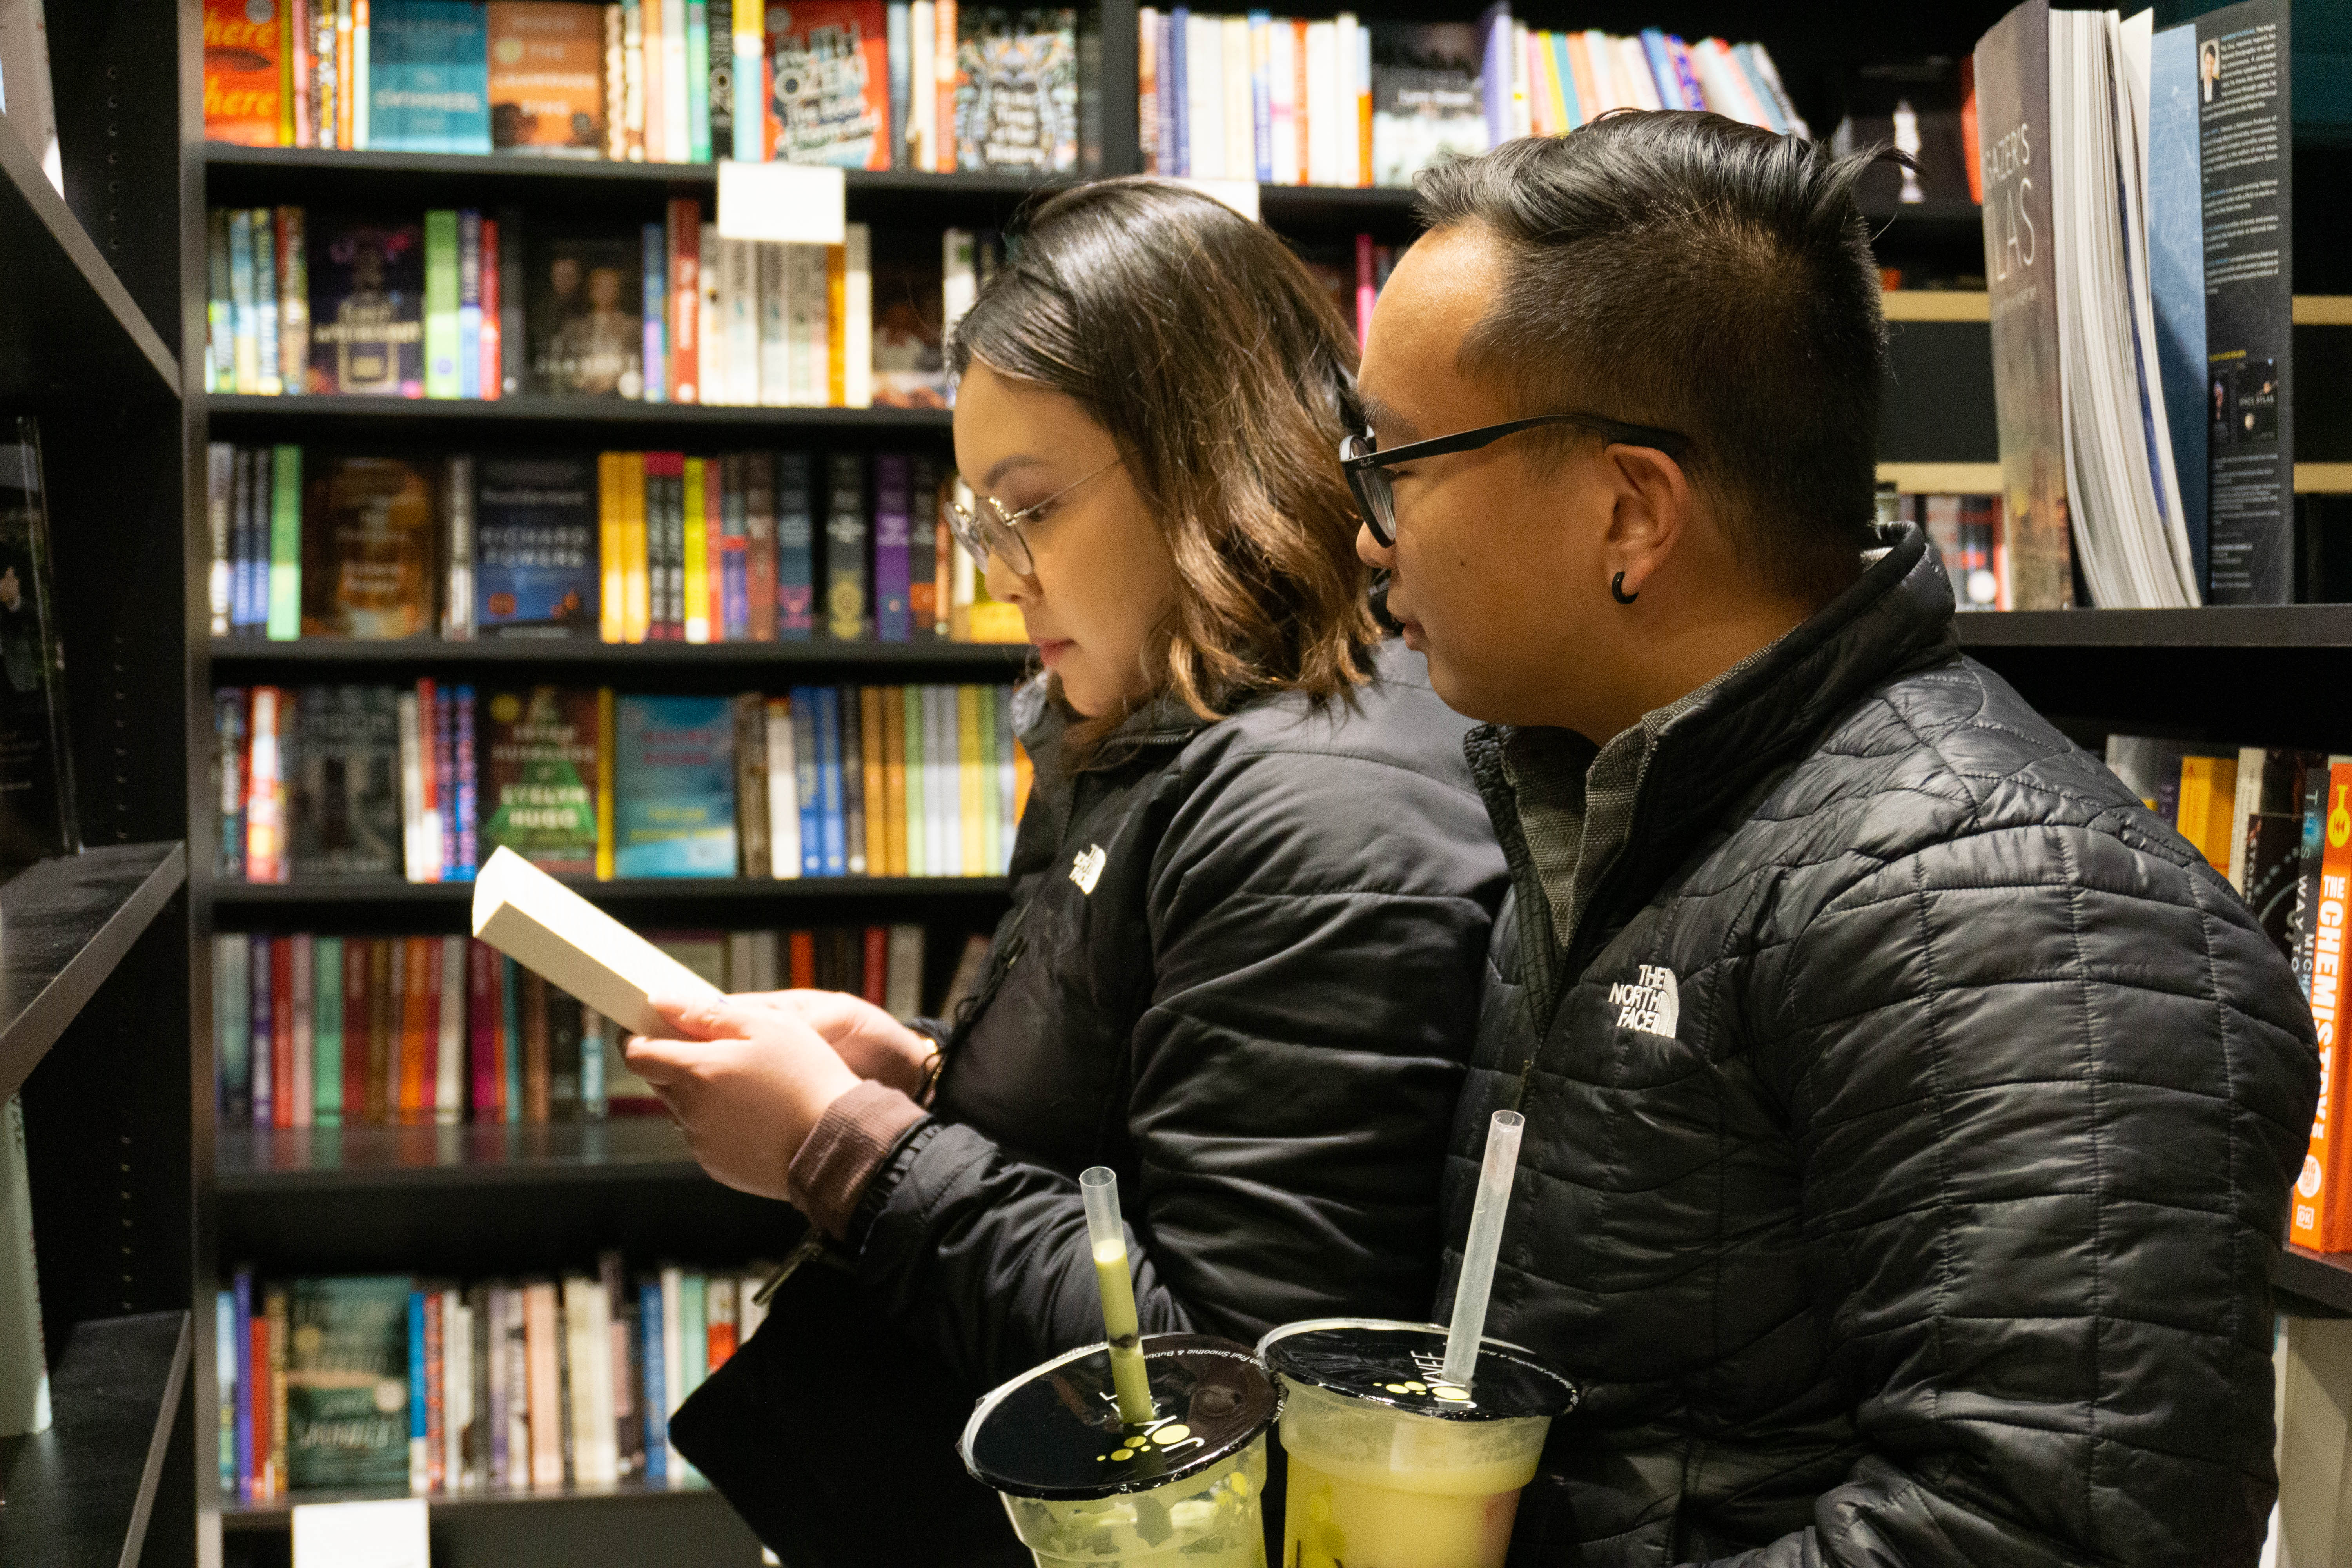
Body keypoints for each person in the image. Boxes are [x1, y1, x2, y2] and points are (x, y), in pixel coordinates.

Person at [1349, 113, 2319, 1566]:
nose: (1368, 530)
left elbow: (2040, 1533)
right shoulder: (1613, 807)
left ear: (1631, 508)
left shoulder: (2012, 899)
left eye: (1398, 461)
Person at [626, 179, 1508, 1563]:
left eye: (1029, 510)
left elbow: (1231, 1388)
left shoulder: (1314, 802)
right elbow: (1138, 1120)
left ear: (1202, 463)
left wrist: (842, 1151)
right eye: (984, 523)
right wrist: (915, 1074)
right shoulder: (1168, 736)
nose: (1004, 577)